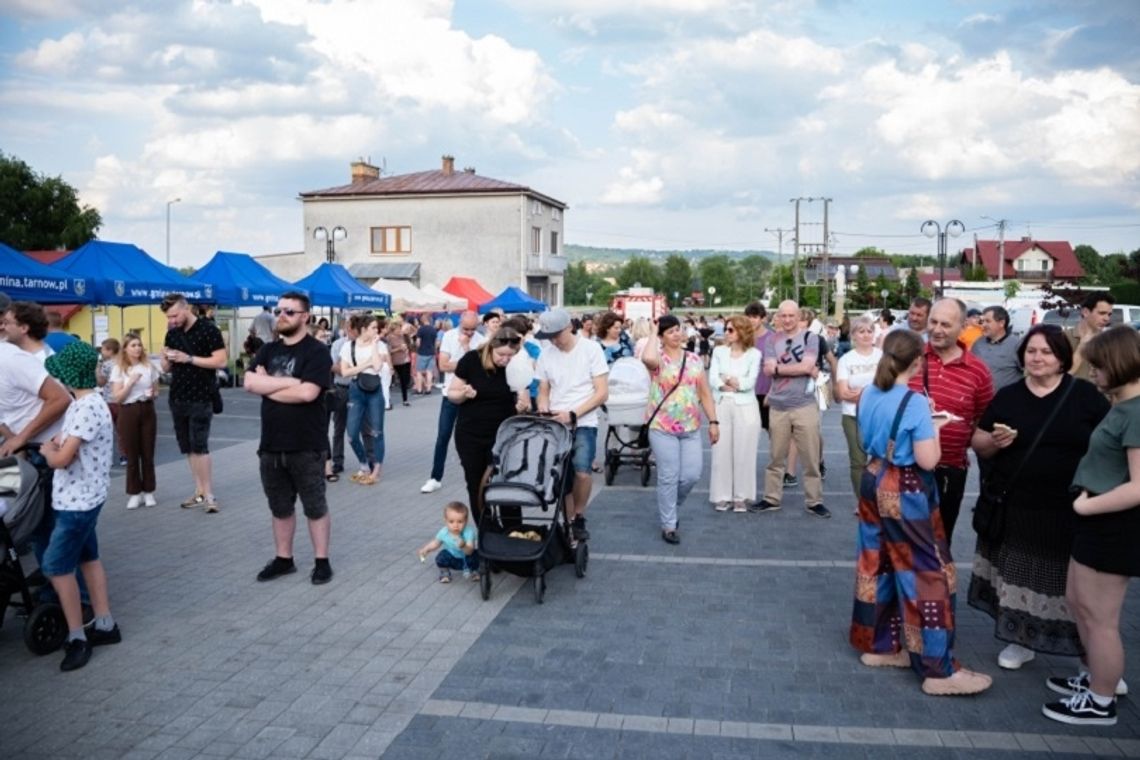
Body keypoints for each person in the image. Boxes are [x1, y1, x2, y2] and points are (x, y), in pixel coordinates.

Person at [850, 330, 992, 696]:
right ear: (917, 361)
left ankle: (883, 646)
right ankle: (937, 669)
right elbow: (929, 459)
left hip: (872, 475)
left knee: (877, 562)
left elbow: (867, 441)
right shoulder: (913, 401)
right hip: (905, 485)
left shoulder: (868, 392)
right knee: (928, 571)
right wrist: (937, 428)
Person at [968, 324, 1110, 673]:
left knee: (1074, 588)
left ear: (1063, 357)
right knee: (1020, 578)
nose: (1037, 358)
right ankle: (1021, 641)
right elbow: (979, 443)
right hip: (1018, 504)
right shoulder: (1009, 396)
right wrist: (994, 443)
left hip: (1071, 507)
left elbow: (1109, 448)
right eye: (1031, 351)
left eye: (1046, 351)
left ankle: (1091, 662)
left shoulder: (1085, 396)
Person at [1042, 325, 1140, 726]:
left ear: (1116, 363)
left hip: (1112, 525)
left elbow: (1139, 487)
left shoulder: (1135, 412)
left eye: (1098, 365)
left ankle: (1102, 699)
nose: (1093, 372)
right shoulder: (1121, 406)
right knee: (1080, 603)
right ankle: (1096, 678)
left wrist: (1087, 508)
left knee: (1100, 618)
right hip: (1097, 519)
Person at [39, 341, 121, 672]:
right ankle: (105, 624)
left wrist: (47, 451)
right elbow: (69, 441)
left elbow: (60, 457)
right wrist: (59, 443)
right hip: (85, 496)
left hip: (78, 501)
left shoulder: (85, 408)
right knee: (89, 558)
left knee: (56, 566)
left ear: (68, 376)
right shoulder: (87, 403)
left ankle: (76, 636)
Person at [244, 293, 334, 585]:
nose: (281, 315)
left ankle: (322, 561)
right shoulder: (268, 350)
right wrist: (289, 383)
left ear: (305, 316)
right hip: (271, 445)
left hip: (307, 444)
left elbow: (308, 394)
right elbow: (248, 383)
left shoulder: (317, 352)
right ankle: (284, 559)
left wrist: (266, 385)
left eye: (289, 312)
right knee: (280, 507)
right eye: (279, 310)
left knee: (314, 506)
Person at [906, 298, 994, 548]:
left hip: (949, 473)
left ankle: (935, 586)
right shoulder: (910, 360)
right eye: (933, 322)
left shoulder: (978, 371)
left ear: (963, 326)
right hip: (906, 469)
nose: (936, 329)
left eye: (945, 324)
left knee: (938, 543)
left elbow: (983, 418)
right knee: (903, 545)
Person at [641, 315, 718, 542]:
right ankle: (669, 525)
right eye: (671, 331)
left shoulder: (694, 359)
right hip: (661, 426)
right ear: (662, 336)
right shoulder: (658, 359)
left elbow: (704, 393)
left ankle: (670, 508)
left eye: (678, 329)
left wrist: (714, 421)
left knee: (691, 475)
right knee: (668, 475)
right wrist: (653, 333)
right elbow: (647, 357)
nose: (677, 334)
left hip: (691, 427)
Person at [536, 308, 609, 544]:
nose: (554, 341)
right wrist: (544, 408)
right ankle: (568, 523)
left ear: (569, 327)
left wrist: (573, 414)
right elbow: (543, 389)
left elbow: (602, 393)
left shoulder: (591, 349)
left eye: (557, 335)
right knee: (561, 476)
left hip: (583, 419)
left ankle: (579, 515)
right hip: (556, 421)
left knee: (582, 470)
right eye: (549, 337)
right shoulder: (546, 353)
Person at [752, 300, 829, 518]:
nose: (786, 320)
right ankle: (771, 498)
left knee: (811, 457)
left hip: (804, 405)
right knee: (776, 457)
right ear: (777, 317)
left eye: (791, 316)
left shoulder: (810, 338)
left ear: (798, 316)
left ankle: (814, 501)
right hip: (778, 406)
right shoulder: (772, 340)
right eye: (782, 316)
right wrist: (800, 369)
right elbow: (768, 370)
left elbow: (806, 366)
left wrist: (780, 368)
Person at [449, 327, 529, 519]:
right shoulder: (471, 360)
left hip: (503, 434)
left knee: (507, 482)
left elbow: (523, 399)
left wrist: (522, 406)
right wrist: (463, 394)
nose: (505, 359)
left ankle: (512, 527)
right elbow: (452, 394)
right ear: (491, 347)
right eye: (501, 354)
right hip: (471, 434)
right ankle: (486, 528)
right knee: (476, 482)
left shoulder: (516, 365)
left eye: (510, 356)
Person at [159, 293, 227, 513]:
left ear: (186, 308)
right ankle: (199, 491)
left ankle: (209, 495)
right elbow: (167, 369)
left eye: (175, 315)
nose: (172, 321)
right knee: (188, 447)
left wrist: (189, 358)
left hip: (201, 396)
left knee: (200, 446)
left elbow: (221, 361)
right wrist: (165, 360)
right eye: (169, 317)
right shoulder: (172, 334)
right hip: (177, 396)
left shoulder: (209, 330)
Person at [420, 312, 487, 494]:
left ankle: (477, 476)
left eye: (473, 329)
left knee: (470, 438)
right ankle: (435, 477)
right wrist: (468, 363)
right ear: (460, 324)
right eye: (466, 329)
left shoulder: (481, 340)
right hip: (450, 393)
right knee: (443, 435)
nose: (469, 333)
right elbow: (443, 365)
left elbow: (478, 369)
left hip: (472, 395)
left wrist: (465, 351)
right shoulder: (449, 336)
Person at [708, 315, 760, 512]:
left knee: (744, 451)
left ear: (742, 332)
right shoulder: (719, 351)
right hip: (722, 403)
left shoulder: (755, 354)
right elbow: (713, 377)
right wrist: (726, 383)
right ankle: (722, 495)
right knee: (720, 450)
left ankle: (742, 496)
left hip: (746, 407)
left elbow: (749, 383)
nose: (726, 333)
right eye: (726, 329)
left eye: (731, 330)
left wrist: (727, 378)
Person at [110, 333, 161, 509]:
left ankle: (149, 491)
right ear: (125, 348)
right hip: (128, 411)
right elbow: (118, 397)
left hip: (146, 408)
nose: (137, 348)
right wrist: (130, 383)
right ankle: (134, 493)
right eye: (133, 345)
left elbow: (156, 390)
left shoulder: (149, 366)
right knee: (132, 454)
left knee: (148, 452)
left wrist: (153, 394)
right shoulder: (119, 369)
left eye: (139, 345)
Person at [835, 315, 882, 502]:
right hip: (852, 416)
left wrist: (860, 394)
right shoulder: (846, 360)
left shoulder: (882, 356)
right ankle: (862, 501)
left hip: (879, 416)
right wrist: (871, 393)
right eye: (861, 331)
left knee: (881, 459)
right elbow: (843, 393)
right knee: (858, 461)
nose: (866, 335)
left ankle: (881, 497)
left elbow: (887, 388)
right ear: (853, 335)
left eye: (870, 331)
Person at [339, 314, 389, 485]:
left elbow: (377, 366)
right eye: (374, 328)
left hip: (375, 391)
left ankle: (376, 468)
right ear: (363, 329)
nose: (377, 331)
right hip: (355, 390)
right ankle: (363, 463)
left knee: (376, 432)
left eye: (377, 327)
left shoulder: (380, 345)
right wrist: (365, 364)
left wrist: (374, 345)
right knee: (352, 434)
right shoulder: (348, 346)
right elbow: (344, 372)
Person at [417, 501, 479, 583]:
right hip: (452, 558)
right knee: (441, 556)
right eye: (451, 521)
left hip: (467, 558)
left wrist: (464, 546)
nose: (455, 525)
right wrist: (426, 549)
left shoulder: (469, 531)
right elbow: (435, 543)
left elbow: (469, 551)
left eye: (460, 522)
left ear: (466, 521)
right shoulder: (444, 532)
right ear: (445, 521)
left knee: (478, 555)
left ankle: (475, 571)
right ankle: (445, 572)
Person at [971, 305, 1022, 392]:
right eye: (982, 321)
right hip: (980, 401)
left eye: (988, 321)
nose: (983, 325)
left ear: (1001, 323)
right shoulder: (978, 343)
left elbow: (1030, 374)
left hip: (1005, 402)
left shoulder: (1017, 345)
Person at [1067, 292, 1114, 380]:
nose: (1107, 319)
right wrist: (1082, 347)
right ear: (1085, 312)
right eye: (1102, 313)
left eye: (1109, 314)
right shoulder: (1063, 338)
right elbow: (1060, 378)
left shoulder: (1109, 341)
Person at [96, 337, 127, 468]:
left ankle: (107, 458)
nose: (102, 352)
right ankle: (124, 455)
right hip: (122, 400)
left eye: (103, 349)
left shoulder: (106, 365)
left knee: (107, 431)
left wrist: (97, 368)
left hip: (109, 401)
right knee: (122, 431)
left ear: (109, 350)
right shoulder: (123, 363)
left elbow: (101, 382)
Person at [744, 302, 772, 435]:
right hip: (747, 392)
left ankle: (778, 457)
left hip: (766, 391)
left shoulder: (772, 338)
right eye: (748, 317)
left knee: (772, 431)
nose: (751, 320)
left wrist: (772, 392)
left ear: (763, 318)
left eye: (755, 317)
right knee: (747, 433)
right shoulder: (743, 338)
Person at [385, 315, 413, 407]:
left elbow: (410, 341)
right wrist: (399, 348)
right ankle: (389, 399)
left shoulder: (403, 336)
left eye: (400, 329)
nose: (399, 331)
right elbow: (388, 351)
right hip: (396, 361)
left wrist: (407, 348)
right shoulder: (389, 338)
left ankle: (405, 399)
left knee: (405, 380)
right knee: (393, 380)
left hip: (405, 360)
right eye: (397, 329)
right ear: (393, 330)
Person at [413, 313, 438, 395]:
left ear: (423, 320)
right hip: (431, 352)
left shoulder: (421, 329)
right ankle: (428, 389)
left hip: (422, 352)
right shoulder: (434, 329)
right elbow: (436, 343)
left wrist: (416, 346)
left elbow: (418, 343)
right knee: (429, 371)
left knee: (419, 371)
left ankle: (419, 389)